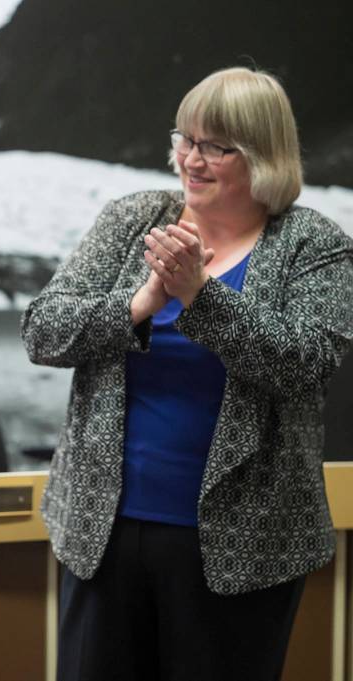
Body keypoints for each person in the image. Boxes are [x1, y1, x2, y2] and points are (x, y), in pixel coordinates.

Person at [22, 66, 353, 681]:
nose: (191, 160)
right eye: (185, 139)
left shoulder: (314, 244)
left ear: (263, 155)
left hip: (242, 544)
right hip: (103, 531)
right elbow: (43, 330)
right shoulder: (132, 220)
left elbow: (304, 362)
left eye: (214, 147)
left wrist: (202, 296)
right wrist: (139, 305)